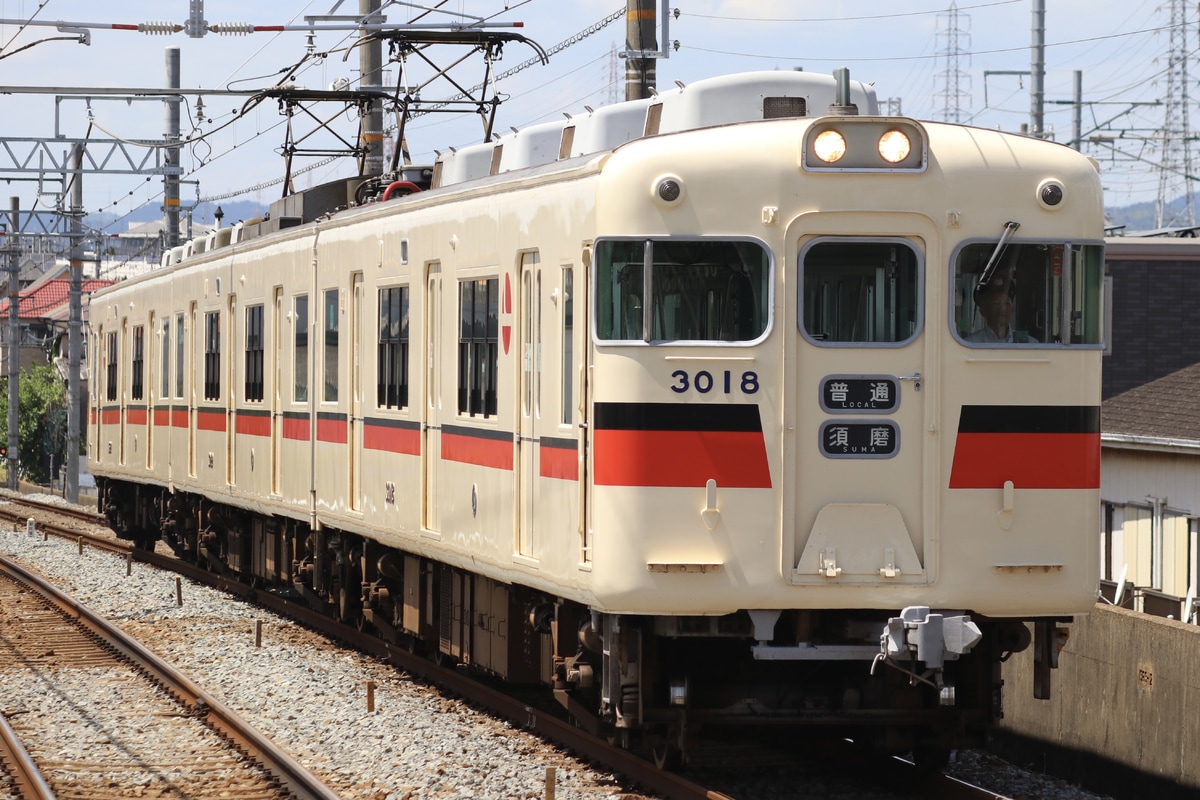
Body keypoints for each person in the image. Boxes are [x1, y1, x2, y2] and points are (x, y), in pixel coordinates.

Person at [967, 275, 1038, 343]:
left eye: (1007, 303)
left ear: (1012, 309)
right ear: (983, 311)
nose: (1002, 308)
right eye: (996, 303)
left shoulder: (1029, 344)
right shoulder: (972, 343)